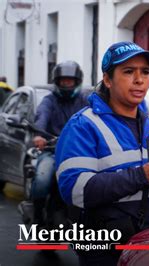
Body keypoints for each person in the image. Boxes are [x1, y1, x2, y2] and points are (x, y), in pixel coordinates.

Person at [55, 41, 149, 265]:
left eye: (145, 72)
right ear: (108, 80)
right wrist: (140, 176)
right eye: (129, 72)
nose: (139, 80)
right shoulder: (83, 125)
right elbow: (75, 190)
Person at [30, 61, 89, 226]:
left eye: (69, 81)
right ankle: (37, 214)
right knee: (42, 178)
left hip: (77, 152)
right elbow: (42, 116)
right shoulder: (49, 101)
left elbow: (94, 118)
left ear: (77, 82)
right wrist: (39, 135)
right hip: (52, 150)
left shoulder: (85, 101)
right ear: (56, 82)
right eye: (63, 81)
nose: (66, 84)